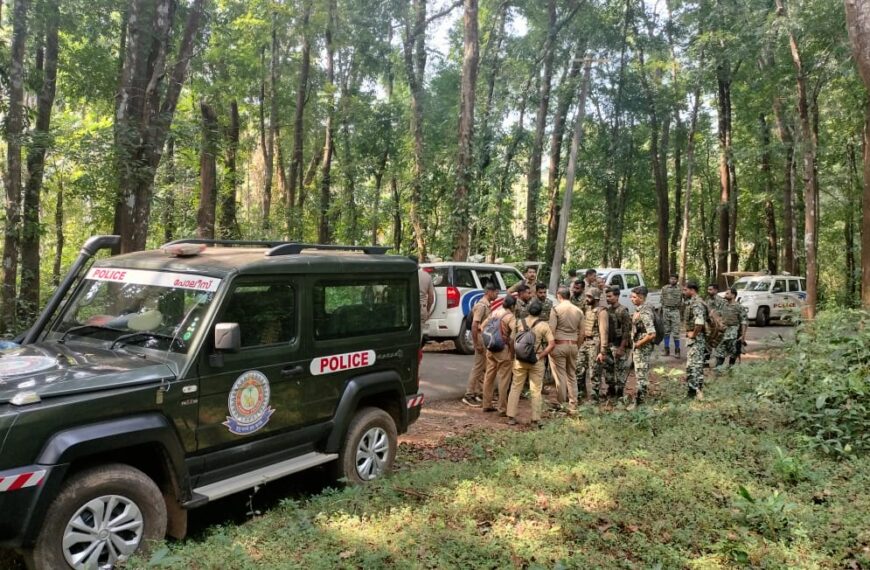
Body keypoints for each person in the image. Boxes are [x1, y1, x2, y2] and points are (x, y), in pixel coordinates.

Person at [506, 300, 555, 428]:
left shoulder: (518, 322)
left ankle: (510, 416)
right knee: (536, 390)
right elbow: (551, 344)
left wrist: (513, 356)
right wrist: (541, 355)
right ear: (540, 312)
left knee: (516, 387)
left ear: (528, 310)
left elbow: (511, 341)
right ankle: (535, 419)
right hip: (536, 361)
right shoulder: (543, 325)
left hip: (519, 360)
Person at [462, 283, 499, 407]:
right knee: (478, 367)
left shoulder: (487, 305)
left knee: (485, 367)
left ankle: (478, 392)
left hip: (483, 338)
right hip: (480, 339)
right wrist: (476, 343)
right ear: (489, 292)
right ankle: (469, 395)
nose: (497, 295)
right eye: (496, 292)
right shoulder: (481, 306)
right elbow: (474, 325)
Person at [547, 286, 583, 413]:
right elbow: (582, 332)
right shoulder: (578, 311)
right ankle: (573, 403)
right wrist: (576, 346)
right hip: (573, 344)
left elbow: (551, 329)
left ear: (559, 296)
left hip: (558, 345)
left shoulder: (556, 309)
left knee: (560, 375)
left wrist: (550, 347)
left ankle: (561, 403)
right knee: (572, 375)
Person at [481, 295, 516, 415]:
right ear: (512, 306)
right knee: (503, 379)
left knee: (489, 376)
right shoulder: (510, 317)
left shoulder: (494, 312)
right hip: (502, 350)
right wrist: (512, 353)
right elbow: (513, 338)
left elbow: (482, 327)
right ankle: (502, 408)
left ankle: (486, 404)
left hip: (490, 348)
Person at [578, 287, 609, 402]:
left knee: (594, 371)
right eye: (586, 296)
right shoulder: (588, 309)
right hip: (585, 342)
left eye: (589, 296)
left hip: (595, 343)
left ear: (596, 298)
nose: (586, 299)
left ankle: (595, 397)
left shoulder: (602, 312)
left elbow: (604, 332)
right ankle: (581, 394)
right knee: (579, 368)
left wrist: (602, 351)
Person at [628, 286, 656, 411]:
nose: (631, 299)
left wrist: (639, 344)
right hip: (641, 346)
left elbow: (652, 333)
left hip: (642, 348)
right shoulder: (643, 308)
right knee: (640, 374)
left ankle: (639, 403)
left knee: (641, 375)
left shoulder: (644, 312)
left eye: (634, 297)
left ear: (641, 297)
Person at [604, 286, 632, 400]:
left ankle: (619, 392)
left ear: (617, 296)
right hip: (609, 344)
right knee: (609, 368)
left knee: (620, 369)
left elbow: (626, 331)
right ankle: (610, 390)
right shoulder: (608, 310)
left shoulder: (623, 311)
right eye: (607, 296)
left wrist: (621, 347)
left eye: (610, 296)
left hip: (619, 344)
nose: (608, 298)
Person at [683, 280, 707, 400]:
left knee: (695, 365)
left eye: (685, 289)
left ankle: (698, 391)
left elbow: (699, 322)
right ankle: (692, 391)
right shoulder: (692, 302)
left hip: (697, 339)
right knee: (692, 365)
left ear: (692, 290)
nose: (684, 291)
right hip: (695, 339)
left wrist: (693, 334)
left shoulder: (697, 303)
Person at [714, 287, 748, 371]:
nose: (725, 295)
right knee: (720, 352)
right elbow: (715, 314)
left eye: (727, 293)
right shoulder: (723, 305)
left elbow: (744, 322)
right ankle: (718, 370)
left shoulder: (739, 307)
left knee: (733, 352)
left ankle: (730, 369)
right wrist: (719, 323)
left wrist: (743, 336)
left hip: (734, 332)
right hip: (723, 331)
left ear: (733, 295)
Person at [660, 273, 683, 357]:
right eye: (671, 279)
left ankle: (677, 351)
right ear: (669, 279)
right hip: (666, 311)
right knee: (666, 332)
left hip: (675, 311)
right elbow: (661, 299)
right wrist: (663, 309)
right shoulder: (664, 288)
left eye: (674, 279)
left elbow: (683, 300)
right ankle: (666, 350)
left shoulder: (680, 289)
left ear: (677, 280)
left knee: (676, 332)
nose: (672, 280)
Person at [414, 257, 436, 342]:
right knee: (419, 335)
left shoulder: (405, 274)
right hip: (421, 309)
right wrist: (427, 310)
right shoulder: (426, 276)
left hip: (406, 310)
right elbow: (431, 296)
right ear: (418, 263)